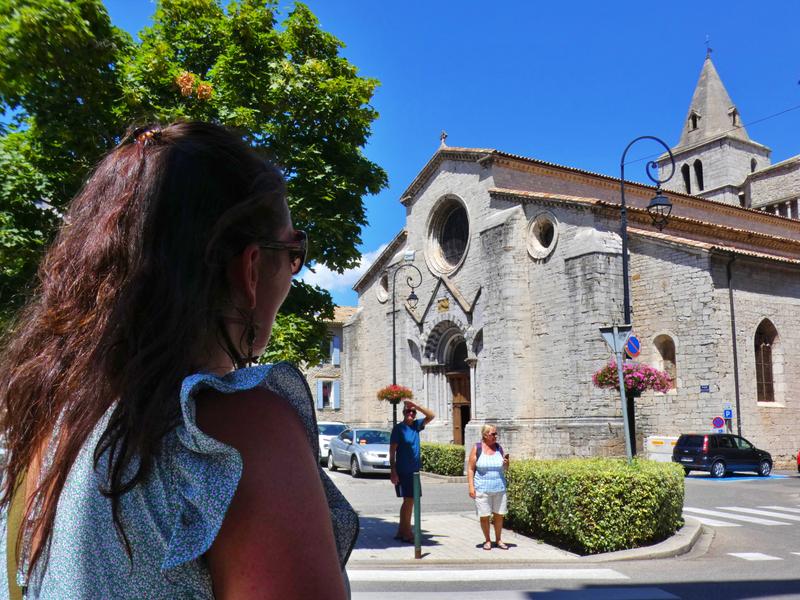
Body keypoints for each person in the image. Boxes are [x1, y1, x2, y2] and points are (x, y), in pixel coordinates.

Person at [0, 122, 357, 599]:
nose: (294, 271)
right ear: (251, 268)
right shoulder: (237, 435)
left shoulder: (47, 424)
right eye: (294, 251)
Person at [389, 400, 435, 543]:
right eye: (408, 411)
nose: (410, 414)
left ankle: (402, 531)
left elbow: (431, 416)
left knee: (408, 501)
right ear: (403, 413)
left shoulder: (416, 426)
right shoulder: (398, 429)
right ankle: (407, 532)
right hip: (404, 470)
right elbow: (392, 451)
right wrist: (393, 471)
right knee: (410, 500)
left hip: (414, 471)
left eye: (412, 412)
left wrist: (417, 406)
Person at [467, 424, 510, 550]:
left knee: (499, 515)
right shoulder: (477, 448)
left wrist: (507, 464)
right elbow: (470, 469)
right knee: (484, 516)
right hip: (482, 488)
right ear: (485, 435)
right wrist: (471, 487)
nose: (495, 436)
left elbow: (505, 469)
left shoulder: (499, 448)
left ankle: (499, 539)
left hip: (499, 488)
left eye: (496, 434)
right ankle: (487, 540)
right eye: (493, 434)